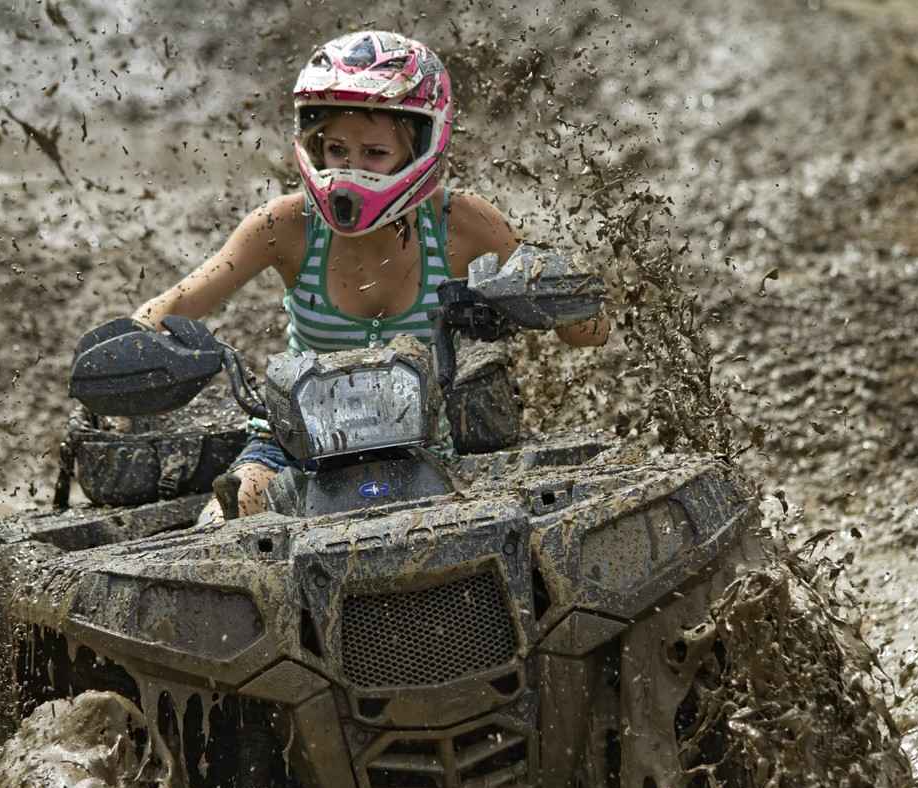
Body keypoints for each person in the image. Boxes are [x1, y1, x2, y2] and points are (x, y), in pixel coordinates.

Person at [130, 30, 610, 522]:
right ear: (315, 145)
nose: (350, 171)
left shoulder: (463, 223)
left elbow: (588, 333)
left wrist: (561, 299)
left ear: (421, 146)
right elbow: (176, 301)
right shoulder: (283, 226)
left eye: (375, 154)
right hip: (293, 445)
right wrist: (128, 355)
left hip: (431, 446)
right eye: (337, 149)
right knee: (229, 518)